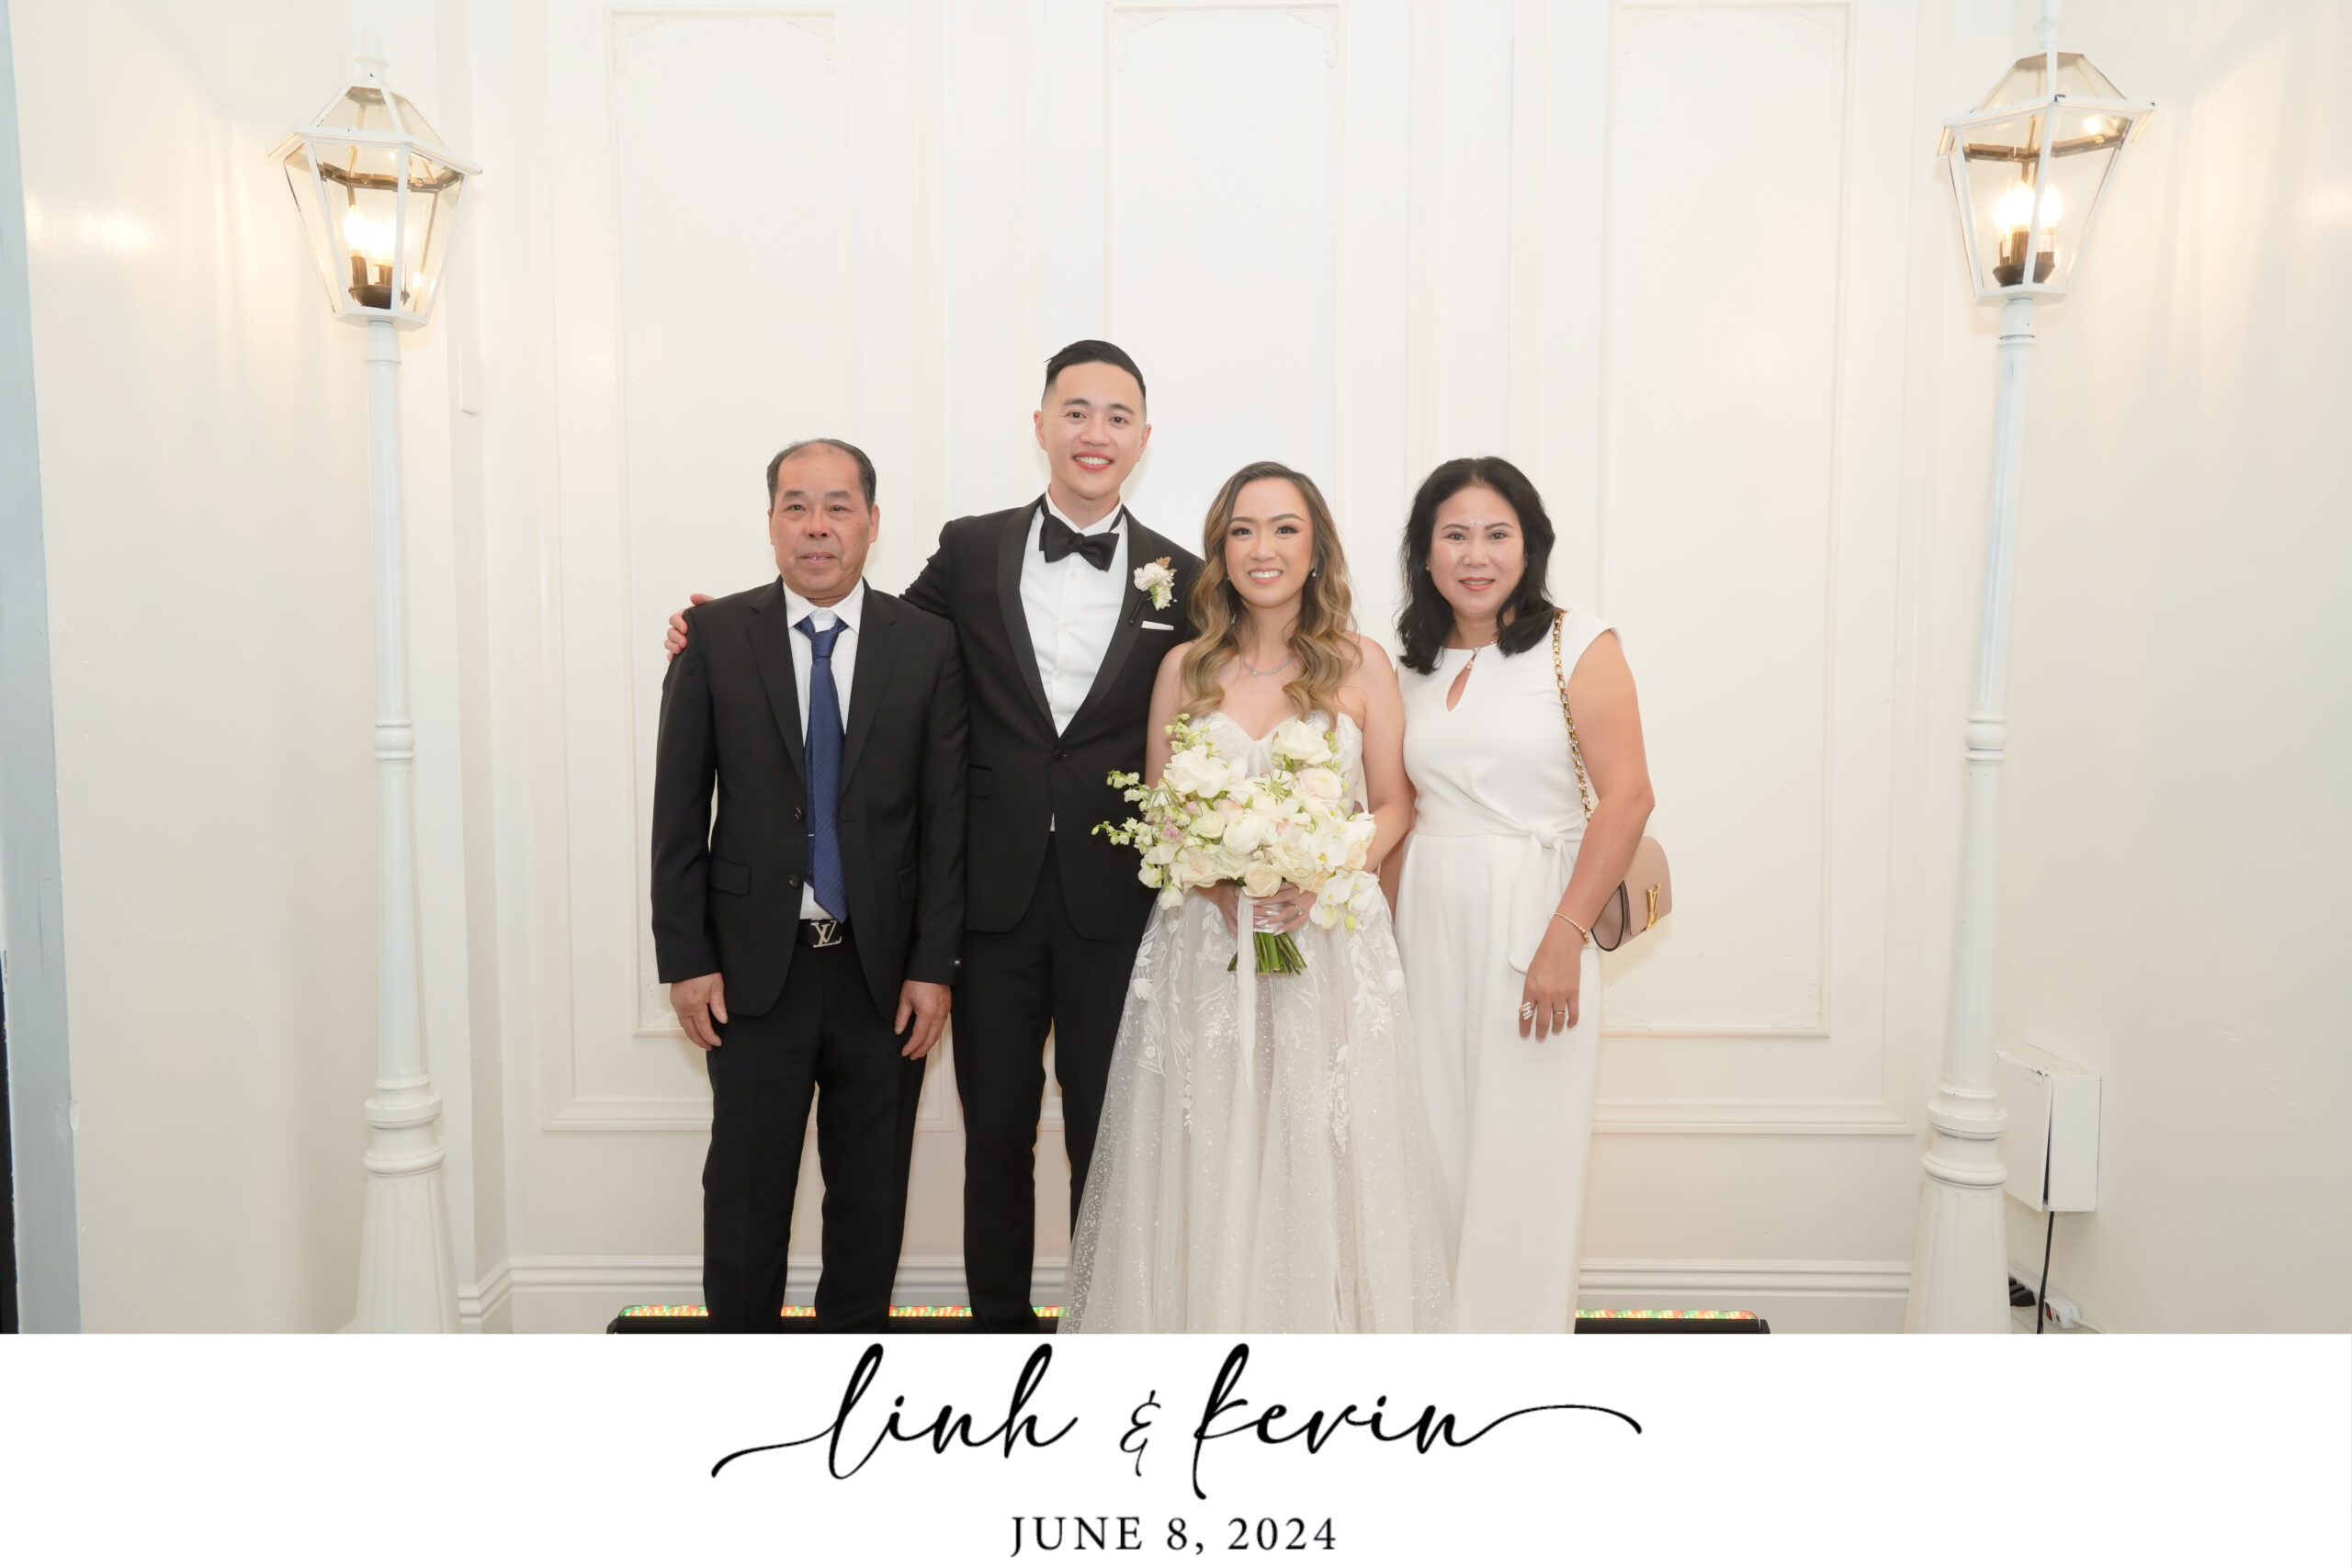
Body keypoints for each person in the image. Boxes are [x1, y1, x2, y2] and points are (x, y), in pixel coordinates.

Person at [666, 342, 1203, 1330]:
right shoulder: (972, 548)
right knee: (994, 1132)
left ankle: (1105, 1326)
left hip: (1116, 899)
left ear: (1143, 438)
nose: (1094, 433)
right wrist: (722, 634)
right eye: (1075, 411)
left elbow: (1231, 683)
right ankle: (999, 1329)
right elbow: (871, 638)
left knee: (1111, 1135)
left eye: (1117, 416)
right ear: (1040, 425)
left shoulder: (1187, 575)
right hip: (985, 898)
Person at [1060, 461, 1453, 1333]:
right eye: (1242, 530)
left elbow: (1396, 803)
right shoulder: (1185, 667)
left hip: (1325, 941)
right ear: (1221, 550)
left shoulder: (1360, 663)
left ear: (1316, 549)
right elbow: (1162, 811)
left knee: (1317, 1143)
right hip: (1208, 945)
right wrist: (1216, 877)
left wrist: (1324, 869)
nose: (1262, 548)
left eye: (1284, 528)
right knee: (1214, 1144)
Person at [650, 438, 966, 1332]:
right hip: (751, 974)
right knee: (745, 1196)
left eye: (837, 506)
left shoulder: (927, 645)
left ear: (872, 521)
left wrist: (933, 966)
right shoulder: (714, 638)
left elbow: (946, 820)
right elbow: (678, 811)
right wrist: (685, 959)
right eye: (796, 506)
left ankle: (846, 1378)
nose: (816, 526)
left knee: (870, 1201)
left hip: (882, 975)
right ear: (771, 522)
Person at [1388, 456, 1654, 1333]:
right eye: (1455, 535)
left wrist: (1563, 936)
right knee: (1431, 1146)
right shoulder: (1410, 665)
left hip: (1537, 913)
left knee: (1526, 1149)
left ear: (1530, 544)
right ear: (1425, 552)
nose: (1477, 555)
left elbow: (1628, 798)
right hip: (1428, 918)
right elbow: (1399, 807)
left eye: (1497, 534)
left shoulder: (1580, 643)